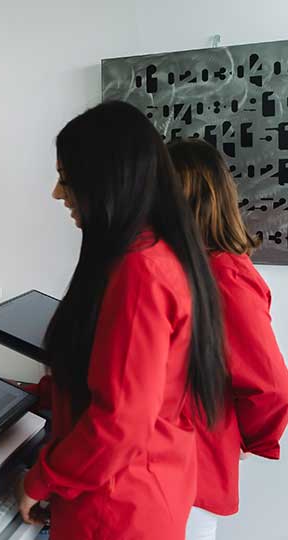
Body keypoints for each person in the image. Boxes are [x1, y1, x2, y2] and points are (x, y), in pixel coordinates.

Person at [15, 101, 227, 539]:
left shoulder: (139, 273)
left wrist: (41, 480)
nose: (58, 194)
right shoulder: (164, 256)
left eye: (66, 179)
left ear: (106, 181)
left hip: (118, 509)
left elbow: (118, 425)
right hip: (146, 491)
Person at [168, 138, 288, 540]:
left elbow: (270, 385)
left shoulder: (224, 277)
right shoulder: (197, 269)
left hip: (193, 475)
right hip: (181, 469)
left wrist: (251, 440)